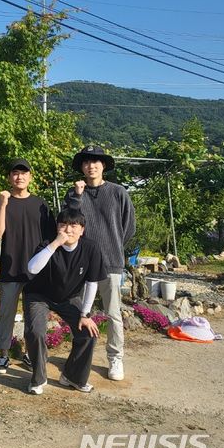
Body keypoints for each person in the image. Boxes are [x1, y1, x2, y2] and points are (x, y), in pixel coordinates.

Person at [64, 145, 136, 381]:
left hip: (111, 262)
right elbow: (69, 224)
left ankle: (115, 358)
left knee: (113, 314)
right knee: (79, 312)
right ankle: (81, 357)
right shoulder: (74, 193)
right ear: (82, 167)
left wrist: (112, 245)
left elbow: (128, 227)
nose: (91, 166)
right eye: (86, 162)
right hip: (81, 265)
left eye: (96, 161)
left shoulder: (118, 192)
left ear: (103, 165)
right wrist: (76, 196)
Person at [23, 209, 106, 395]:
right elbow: (32, 268)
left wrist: (85, 314)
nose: (68, 229)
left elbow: (92, 282)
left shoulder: (91, 248)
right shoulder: (47, 245)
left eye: (73, 225)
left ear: (82, 230)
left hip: (69, 297)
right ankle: (38, 378)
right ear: (57, 227)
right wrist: (55, 244)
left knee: (88, 333)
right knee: (35, 332)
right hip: (38, 295)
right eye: (63, 225)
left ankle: (72, 376)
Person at [0, 159, 55, 374]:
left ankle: (30, 354)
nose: (20, 177)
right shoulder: (1, 202)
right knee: (6, 313)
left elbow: (51, 237)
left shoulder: (41, 204)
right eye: (15, 173)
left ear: (30, 177)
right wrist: (4, 204)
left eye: (24, 173)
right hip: (10, 268)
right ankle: (3, 355)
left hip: (36, 271)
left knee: (33, 315)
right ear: (9, 177)